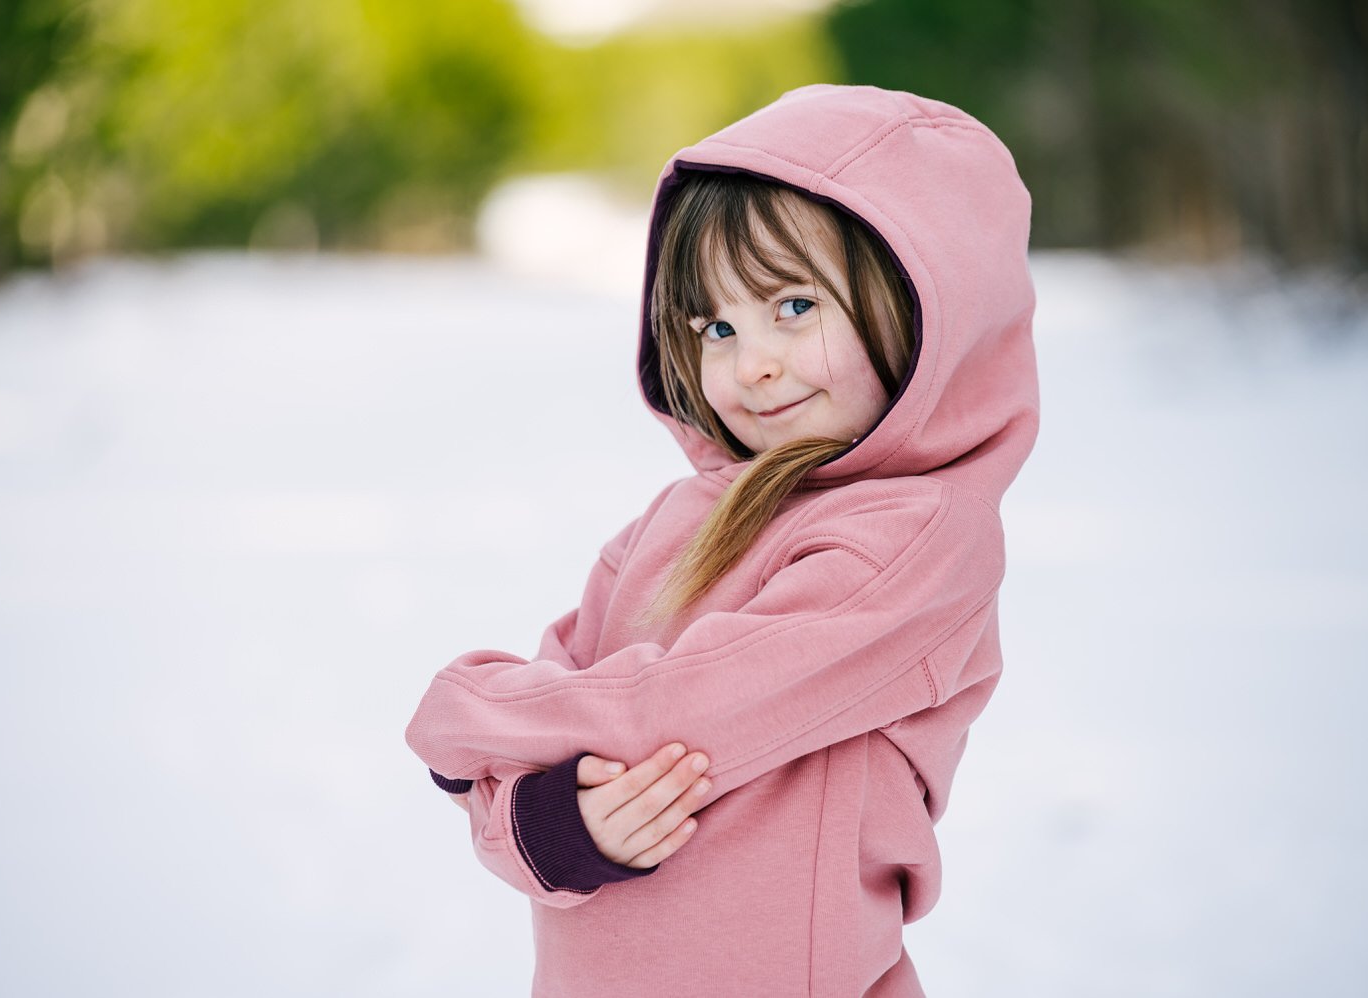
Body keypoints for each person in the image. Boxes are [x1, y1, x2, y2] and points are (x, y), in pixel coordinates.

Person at [406, 83, 1038, 997]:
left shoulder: (922, 539)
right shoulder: (674, 524)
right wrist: (550, 827)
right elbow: (513, 771)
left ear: (928, 303)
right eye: (717, 326)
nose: (753, 364)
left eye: (795, 307)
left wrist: (468, 714)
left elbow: (683, 714)